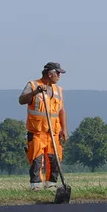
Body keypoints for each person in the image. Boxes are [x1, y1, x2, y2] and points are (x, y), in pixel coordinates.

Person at [18, 62, 68, 190]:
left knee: (55, 159)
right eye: (58, 73)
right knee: (36, 159)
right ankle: (36, 186)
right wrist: (36, 92)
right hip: (37, 132)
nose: (59, 76)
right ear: (50, 74)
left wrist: (64, 129)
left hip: (54, 132)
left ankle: (51, 184)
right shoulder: (33, 85)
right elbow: (21, 100)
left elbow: (61, 111)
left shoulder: (58, 90)